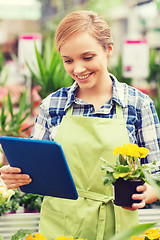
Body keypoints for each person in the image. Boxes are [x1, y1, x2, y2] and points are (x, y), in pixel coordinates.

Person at [0, 10, 160, 240]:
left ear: (108, 50)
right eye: (68, 60)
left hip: (118, 224)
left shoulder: (138, 104)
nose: (78, 69)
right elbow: (36, 169)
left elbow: (157, 171)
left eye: (87, 57)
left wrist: (148, 193)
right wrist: (16, 177)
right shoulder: (53, 105)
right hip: (60, 225)